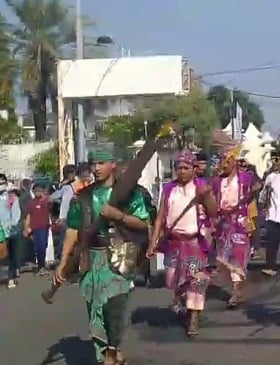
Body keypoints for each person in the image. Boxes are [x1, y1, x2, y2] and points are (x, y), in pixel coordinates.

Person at [54, 150, 151, 365]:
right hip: (91, 258)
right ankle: (105, 352)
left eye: (101, 163)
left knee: (115, 307)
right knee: (95, 309)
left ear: (113, 164)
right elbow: (72, 230)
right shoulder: (84, 196)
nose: (96, 168)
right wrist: (63, 262)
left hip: (119, 256)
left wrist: (120, 216)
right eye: (93, 164)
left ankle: (113, 349)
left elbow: (143, 223)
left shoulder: (131, 193)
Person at [147, 150, 217, 338]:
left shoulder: (202, 187)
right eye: (179, 168)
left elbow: (213, 212)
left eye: (186, 168)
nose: (182, 171)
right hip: (174, 243)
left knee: (197, 281)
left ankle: (193, 317)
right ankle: (183, 301)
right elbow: (160, 217)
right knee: (172, 280)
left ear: (194, 169)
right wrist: (153, 242)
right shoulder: (169, 189)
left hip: (195, 243)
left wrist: (207, 197)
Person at [212, 145, 261, 309]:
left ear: (234, 162)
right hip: (223, 223)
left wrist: (253, 190)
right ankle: (236, 287)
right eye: (222, 161)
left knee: (239, 256)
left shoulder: (245, 177)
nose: (225, 164)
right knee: (223, 258)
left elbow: (258, 185)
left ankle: (236, 291)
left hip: (240, 221)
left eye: (228, 161)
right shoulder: (217, 181)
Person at [23, 183, 51, 275]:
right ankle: (41, 266)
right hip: (35, 228)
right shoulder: (31, 203)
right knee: (39, 247)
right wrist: (26, 228)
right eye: (36, 191)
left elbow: (52, 208)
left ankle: (42, 265)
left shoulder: (46, 201)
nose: (38, 192)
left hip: (45, 227)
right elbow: (28, 216)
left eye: (40, 190)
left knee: (44, 246)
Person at [0, 174, 21, 288]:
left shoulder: (12, 197)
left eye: (2, 183)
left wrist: (9, 224)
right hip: (0, 233)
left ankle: (11, 278)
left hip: (11, 232)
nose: (1, 185)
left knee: (12, 256)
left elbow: (16, 216)